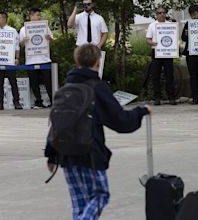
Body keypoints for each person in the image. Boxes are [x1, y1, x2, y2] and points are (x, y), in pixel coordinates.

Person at [44, 44, 151, 219]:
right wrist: (141, 111)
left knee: (79, 203)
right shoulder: (97, 87)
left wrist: (52, 155)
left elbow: (56, 124)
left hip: (66, 155)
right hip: (90, 153)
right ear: (97, 61)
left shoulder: (65, 89)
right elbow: (121, 121)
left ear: (76, 61)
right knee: (100, 196)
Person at [19, 8, 54, 108]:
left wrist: (49, 38)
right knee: (34, 83)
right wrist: (23, 41)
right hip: (30, 60)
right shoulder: (23, 29)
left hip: (44, 59)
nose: (39, 17)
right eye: (38, 15)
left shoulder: (45, 27)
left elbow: (52, 40)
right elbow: (20, 45)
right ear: (31, 16)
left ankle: (52, 101)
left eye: (40, 15)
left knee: (48, 82)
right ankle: (38, 102)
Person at [146, 7, 177, 106]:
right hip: (156, 52)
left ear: (166, 14)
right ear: (156, 14)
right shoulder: (152, 25)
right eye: (159, 13)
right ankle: (157, 98)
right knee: (156, 76)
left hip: (168, 53)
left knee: (169, 75)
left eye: (163, 12)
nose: (162, 14)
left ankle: (171, 97)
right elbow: (148, 39)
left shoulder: (170, 25)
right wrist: (153, 43)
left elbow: (174, 38)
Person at [0, 12, 22, 110]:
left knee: (13, 81)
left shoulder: (12, 31)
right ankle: (0, 103)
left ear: (4, 19)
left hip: (9, 61)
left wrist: (17, 58)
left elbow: (17, 46)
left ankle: (17, 102)